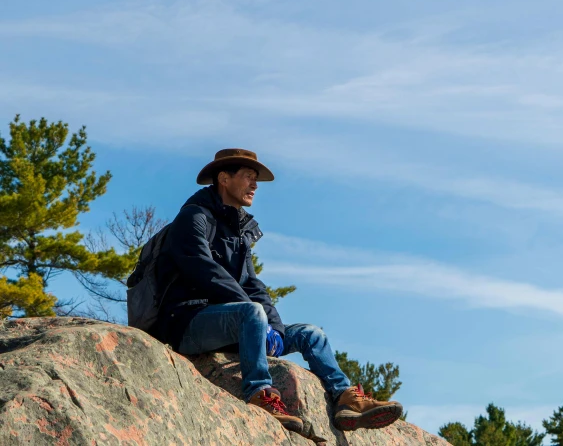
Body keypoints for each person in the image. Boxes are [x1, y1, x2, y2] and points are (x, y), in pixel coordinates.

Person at [153, 148, 403, 435]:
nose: (255, 185)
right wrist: (255, 317)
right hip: (187, 322)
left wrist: (274, 327)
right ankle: (260, 395)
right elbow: (202, 269)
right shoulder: (194, 217)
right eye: (248, 177)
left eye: (255, 179)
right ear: (223, 178)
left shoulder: (240, 229)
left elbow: (252, 285)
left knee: (312, 334)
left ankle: (345, 398)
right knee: (252, 312)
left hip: (234, 322)